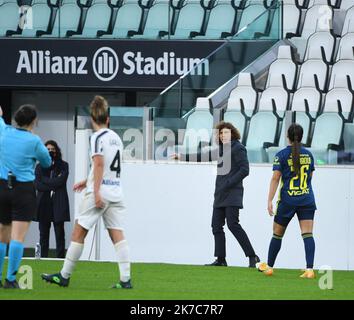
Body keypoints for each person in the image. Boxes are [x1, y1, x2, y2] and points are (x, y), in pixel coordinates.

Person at [41, 95, 132, 289]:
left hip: (101, 192)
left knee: (78, 231)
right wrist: (86, 180)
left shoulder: (96, 137)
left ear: (92, 118)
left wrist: (96, 191)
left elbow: (99, 164)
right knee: (117, 234)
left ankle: (64, 276)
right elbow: (107, 166)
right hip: (116, 191)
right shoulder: (116, 137)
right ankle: (126, 280)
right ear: (107, 118)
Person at [174, 121, 260, 267]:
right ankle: (221, 259)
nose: (223, 135)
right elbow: (203, 156)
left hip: (232, 193)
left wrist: (229, 183)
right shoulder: (220, 149)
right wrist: (182, 156)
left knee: (233, 225)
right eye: (220, 133)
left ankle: (252, 256)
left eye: (226, 132)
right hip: (220, 193)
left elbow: (245, 169)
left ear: (232, 133)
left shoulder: (238, 148)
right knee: (216, 226)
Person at [0, 105, 51, 289]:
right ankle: (11, 279)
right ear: (33, 121)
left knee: (2, 235)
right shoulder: (34, 140)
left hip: (3, 188)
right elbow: (47, 162)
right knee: (17, 237)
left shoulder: (4, 132)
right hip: (23, 190)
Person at [257, 123, 317, 278]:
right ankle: (309, 269)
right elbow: (310, 177)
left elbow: (276, 178)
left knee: (277, 234)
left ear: (287, 136)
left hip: (288, 200)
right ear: (302, 136)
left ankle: (269, 267)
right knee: (308, 234)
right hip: (307, 199)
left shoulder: (281, 155)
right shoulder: (309, 155)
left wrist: (269, 200)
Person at [34, 140, 70, 258]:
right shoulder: (39, 167)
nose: (50, 151)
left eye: (52, 149)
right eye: (48, 149)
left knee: (59, 234)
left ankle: (60, 259)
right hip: (44, 203)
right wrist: (52, 183)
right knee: (43, 234)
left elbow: (60, 181)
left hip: (58, 203)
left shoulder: (64, 165)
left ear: (57, 151)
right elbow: (37, 185)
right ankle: (43, 258)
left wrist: (44, 179)